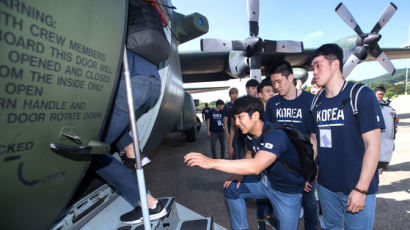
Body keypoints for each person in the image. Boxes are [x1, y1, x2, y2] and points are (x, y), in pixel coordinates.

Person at [185, 96, 305, 230]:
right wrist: (240, 176)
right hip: (266, 183)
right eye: (235, 118)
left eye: (240, 117)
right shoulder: (248, 135)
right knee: (232, 189)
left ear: (255, 116)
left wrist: (211, 162)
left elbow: (256, 166)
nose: (236, 123)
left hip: (287, 191)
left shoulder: (276, 134)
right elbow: (249, 156)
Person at [310, 43, 384, 229]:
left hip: (356, 186)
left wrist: (361, 188)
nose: (314, 72)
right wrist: (308, 171)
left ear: (335, 64)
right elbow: (316, 141)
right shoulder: (317, 102)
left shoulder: (361, 95)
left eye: (318, 65)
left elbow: (373, 145)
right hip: (326, 187)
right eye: (313, 67)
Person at [92, 50, 167, 224]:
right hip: (153, 83)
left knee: (93, 153)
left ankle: (151, 206)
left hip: (131, 83)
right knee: (114, 119)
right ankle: (131, 150)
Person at [265, 61, 318, 230]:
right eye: (273, 83)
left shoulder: (310, 101)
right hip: (282, 167)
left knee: (309, 202)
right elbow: (268, 134)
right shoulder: (273, 104)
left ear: (290, 77)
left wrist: (306, 173)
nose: (276, 87)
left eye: (279, 82)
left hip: (306, 166)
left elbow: (314, 140)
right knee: (283, 205)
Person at [256, 79, 277, 230]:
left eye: (273, 91)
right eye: (268, 91)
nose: (271, 94)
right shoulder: (256, 114)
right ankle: (260, 220)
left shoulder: (276, 111)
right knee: (260, 191)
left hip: (273, 155)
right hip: (259, 155)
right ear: (260, 94)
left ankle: (269, 217)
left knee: (272, 188)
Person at [228, 79, 260, 160]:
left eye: (257, 88)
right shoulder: (239, 103)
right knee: (241, 162)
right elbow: (232, 127)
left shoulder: (261, 103)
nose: (255, 91)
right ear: (247, 89)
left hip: (258, 141)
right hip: (241, 140)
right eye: (253, 88)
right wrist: (230, 144)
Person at [374, 85, 397, 173]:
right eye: (379, 94)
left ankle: (382, 165)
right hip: (375, 131)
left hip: (386, 133)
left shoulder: (387, 105)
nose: (380, 96)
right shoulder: (370, 104)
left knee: (387, 147)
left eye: (382, 94)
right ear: (374, 93)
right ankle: (377, 166)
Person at [223, 87, 239, 158]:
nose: (235, 95)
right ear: (229, 95)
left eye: (236, 94)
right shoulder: (226, 106)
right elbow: (225, 122)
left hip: (241, 131)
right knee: (233, 152)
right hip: (232, 131)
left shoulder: (240, 104)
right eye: (233, 94)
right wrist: (227, 135)